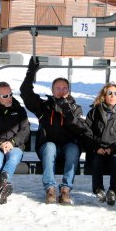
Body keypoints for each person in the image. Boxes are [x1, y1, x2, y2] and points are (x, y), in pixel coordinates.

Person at [20, 57, 87, 205]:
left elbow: (80, 128)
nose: (61, 91)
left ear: (68, 91)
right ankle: (50, 188)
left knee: (73, 148)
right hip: (48, 147)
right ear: (52, 90)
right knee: (50, 147)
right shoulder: (44, 106)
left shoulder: (75, 108)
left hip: (68, 147)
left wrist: (66, 110)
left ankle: (65, 190)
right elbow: (25, 92)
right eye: (58, 88)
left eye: (64, 88)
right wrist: (31, 72)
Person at [84, 82, 116, 206]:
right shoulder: (94, 112)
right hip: (97, 148)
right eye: (109, 93)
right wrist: (95, 147)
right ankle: (99, 190)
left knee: (115, 161)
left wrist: (115, 148)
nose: (113, 95)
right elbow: (87, 133)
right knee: (97, 161)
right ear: (104, 95)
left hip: (115, 149)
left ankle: (113, 191)